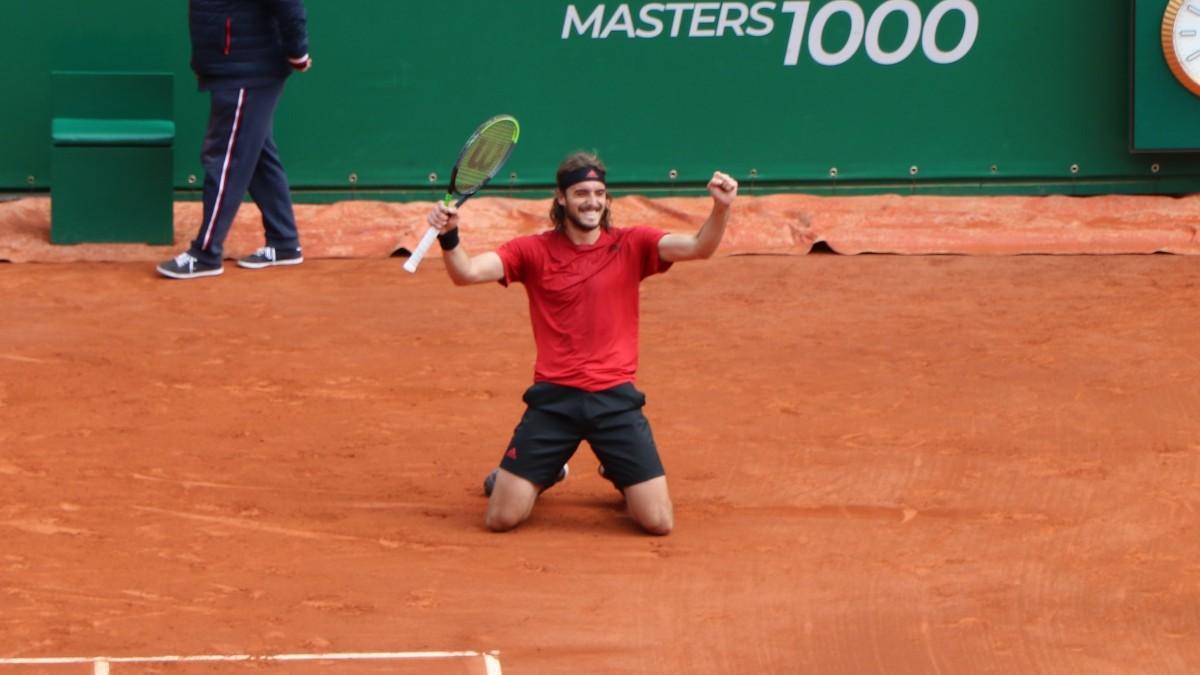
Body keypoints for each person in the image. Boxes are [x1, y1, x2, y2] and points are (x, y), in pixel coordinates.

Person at [425, 152, 738, 535]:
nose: (592, 201)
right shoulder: (532, 251)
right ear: (561, 198)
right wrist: (449, 235)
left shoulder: (632, 243)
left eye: (599, 193)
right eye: (581, 193)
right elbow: (467, 273)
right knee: (501, 518)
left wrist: (721, 209)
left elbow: (698, 247)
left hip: (615, 401)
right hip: (554, 401)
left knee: (658, 523)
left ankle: (617, 470)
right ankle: (549, 470)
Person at [157, 0, 312, 280]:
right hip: (231, 66)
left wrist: (297, 53)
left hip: (249, 70)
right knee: (258, 156)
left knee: (226, 159)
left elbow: (290, 6)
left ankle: (206, 253)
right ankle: (284, 242)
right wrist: (204, 62)